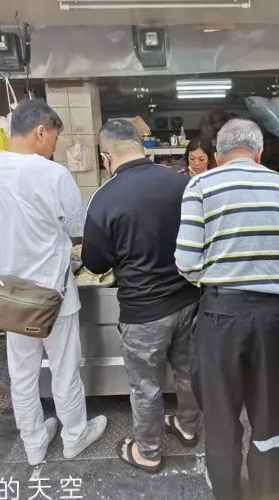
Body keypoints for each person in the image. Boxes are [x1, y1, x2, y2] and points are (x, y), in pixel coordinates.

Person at [0, 100, 107, 465]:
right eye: (54, 137)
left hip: (10, 296)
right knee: (64, 368)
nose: (54, 146)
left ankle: (34, 443)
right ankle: (74, 435)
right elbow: (77, 233)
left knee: (22, 374)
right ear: (40, 131)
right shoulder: (52, 174)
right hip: (54, 295)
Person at [176, 118, 279, 500]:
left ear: (216, 156)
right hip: (275, 320)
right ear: (260, 153)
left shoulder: (200, 186)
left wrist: (217, 280)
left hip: (220, 316)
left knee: (219, 411)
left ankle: (230, 498)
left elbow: (185, 261)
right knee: (270, 412)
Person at [82, 119, 202, 473]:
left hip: (143, 310)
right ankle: (188, 427)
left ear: (106, 157)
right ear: (140, 145)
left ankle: (148, 452)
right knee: (187, 371)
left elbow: (94, 261)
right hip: (187, 299)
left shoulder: (105, 197)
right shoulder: (182, 183)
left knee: (146, 386)